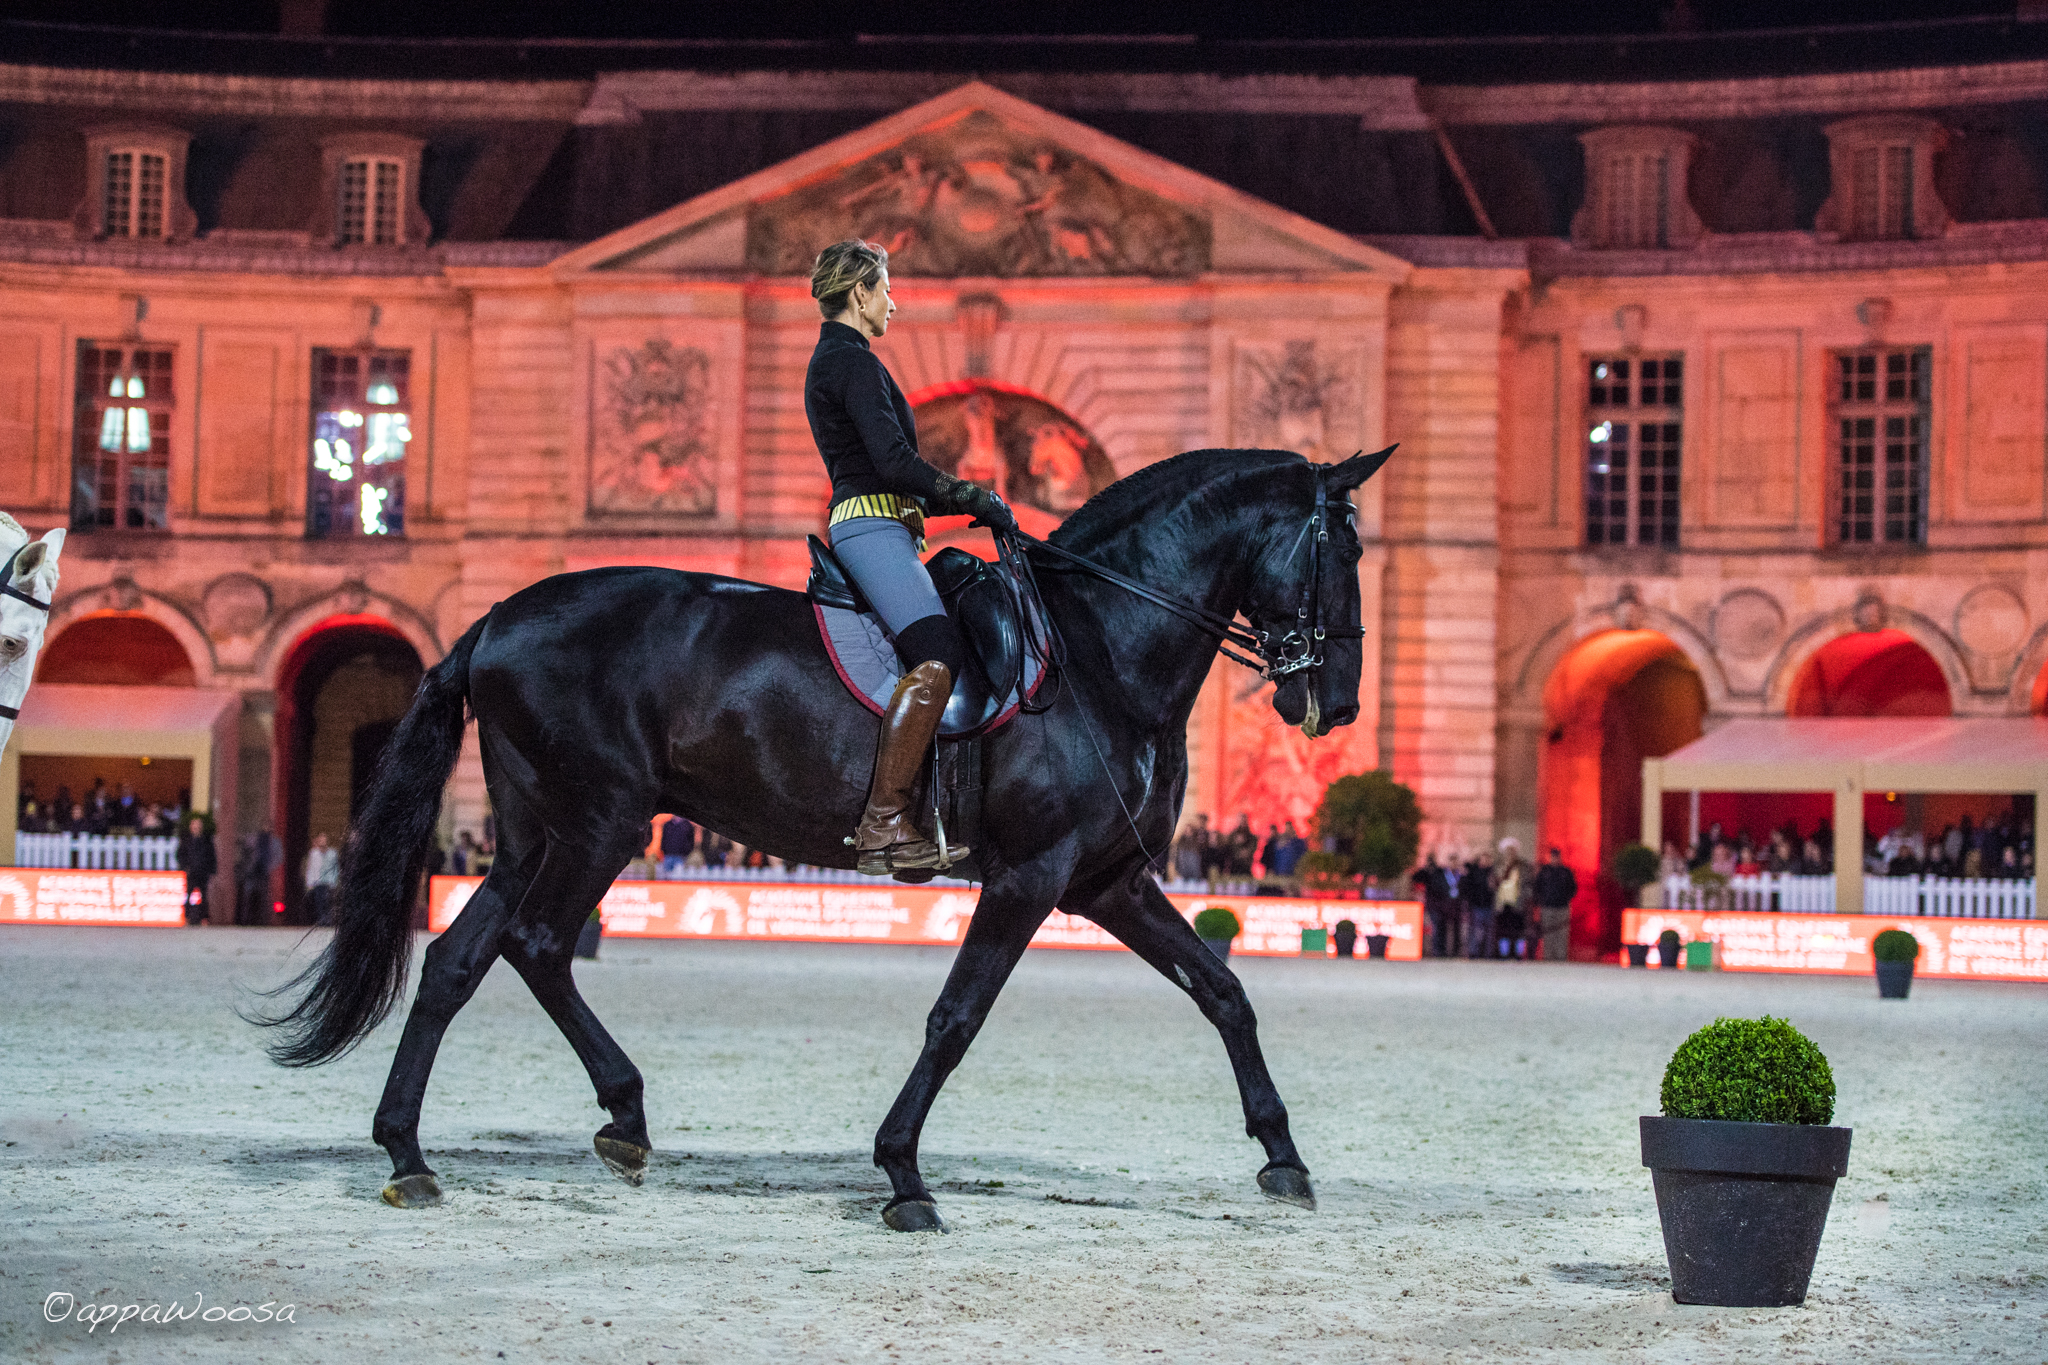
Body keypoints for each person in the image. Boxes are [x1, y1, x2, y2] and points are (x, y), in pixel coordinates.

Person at [806, 239, 1018, 877]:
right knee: (938, 654)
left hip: (881, 526)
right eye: (886, 290)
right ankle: (884, 822)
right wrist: (970, 494)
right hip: (871, 526)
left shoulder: (837, 362)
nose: (893, 305)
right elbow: (894, 464)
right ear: (860, 293)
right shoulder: (855, 365)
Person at [1532, 846, 1578, 962]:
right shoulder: (1544, 871)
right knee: (1548, 935)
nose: (1555, 859)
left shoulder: (1566, 872)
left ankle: (1561, 959)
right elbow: (1537, 887)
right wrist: (1540, 902)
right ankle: (1548, 958)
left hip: (1562, 908)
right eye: (1553, 856)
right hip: (1547, 908)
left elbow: (1572, 888)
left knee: (1562, 935)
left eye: (1557, 856)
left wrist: (1566, 899)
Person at [176, 814, 217, 926]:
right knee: (188, 895)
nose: (197, 828)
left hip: (203, 873)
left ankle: (204, 918)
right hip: (191, 872)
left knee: (204, 896)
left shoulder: (206, 841)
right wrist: (185, 867)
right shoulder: (186, 841)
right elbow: (180, 855)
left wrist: (211, 870)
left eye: (199, 825)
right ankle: (186, 917)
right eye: (195, 825)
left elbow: (211, 856)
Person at [1462, 850, 1496, 959]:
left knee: (1489, 932)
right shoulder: (1474, 872)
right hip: (1477, 905)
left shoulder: (1492, 872)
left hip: (1489, 905)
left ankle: (1488, 954)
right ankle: (1473, 952)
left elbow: (1495, 888)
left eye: (1487, 859)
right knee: (1476, 931)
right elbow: (1469, 888)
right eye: (1483, 859)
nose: (1485, 861)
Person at [304, 832, 339, 926]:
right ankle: (321, 920)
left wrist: (334, 881)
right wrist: (309, 882)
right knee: (319, 902)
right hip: (318, 881)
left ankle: (328, 920)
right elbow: (310, 868)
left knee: (327, 902)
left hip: (328, 881)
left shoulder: (332, 853)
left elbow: (335, 868)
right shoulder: (314, 853)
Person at [659, 814, 696, 880]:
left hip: (681, 856)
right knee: (666, 878)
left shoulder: (688, 826)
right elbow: (663, 839)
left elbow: (691, 841)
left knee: (679, 878)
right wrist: (664, 850)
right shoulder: (667, 825)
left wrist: (686, 852)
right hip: (668, 855)